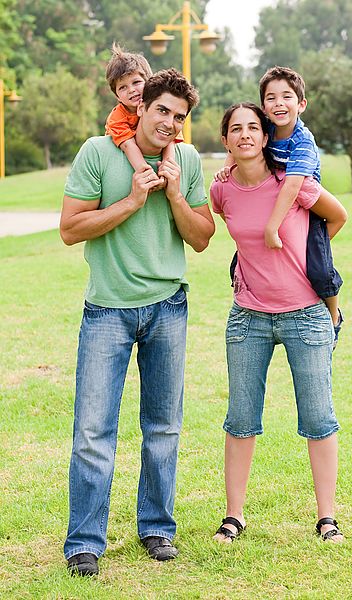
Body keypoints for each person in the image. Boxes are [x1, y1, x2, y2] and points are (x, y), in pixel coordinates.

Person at [60, 68, 215, 576]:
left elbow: (201, 237)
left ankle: (157, 529)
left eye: (180, 116)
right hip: (107, 309)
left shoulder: (186, 160)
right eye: (163, 111)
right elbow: (70, 229)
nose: (170, 123)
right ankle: (85, 541)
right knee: (92, 431)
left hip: (168, 308)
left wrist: (172, 194)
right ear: (141, 107)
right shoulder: (98, 152)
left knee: (164, 428)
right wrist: (130, 200)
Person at [210, 102, 347, 545]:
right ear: (226, 140)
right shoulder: (222, 192)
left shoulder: (292, 183)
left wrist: (308, 253)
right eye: (236, 129)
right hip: (248, 317)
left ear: (266, 137)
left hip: (306, 315)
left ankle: (327, 518)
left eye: (254, 127)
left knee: (318, 417)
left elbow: (338, 215)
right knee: (240, 418)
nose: (246, 134)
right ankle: (234, 516)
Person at [216, 66, 344, 348]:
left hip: (307, 208)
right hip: (274, 195)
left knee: (320, 270)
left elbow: (292, 186)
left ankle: (333, 318)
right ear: (264, 106)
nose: (279, 104)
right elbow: (238, 143)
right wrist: (228, 168)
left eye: (287, 97)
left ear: (301, 104)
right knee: (239, 265)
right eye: (271, 98)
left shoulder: (303, 142)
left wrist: (276, 229)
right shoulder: (266, 129)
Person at [104, 42, 182, 184]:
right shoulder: (116, 118)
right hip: (124, 161)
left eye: (136, 82)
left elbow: (170, 140)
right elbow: (128, 145)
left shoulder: (161, 109)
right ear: (117, 96)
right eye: (122, 87)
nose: (131, 90)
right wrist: (145, 173)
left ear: (149, 81)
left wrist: (167, 167)